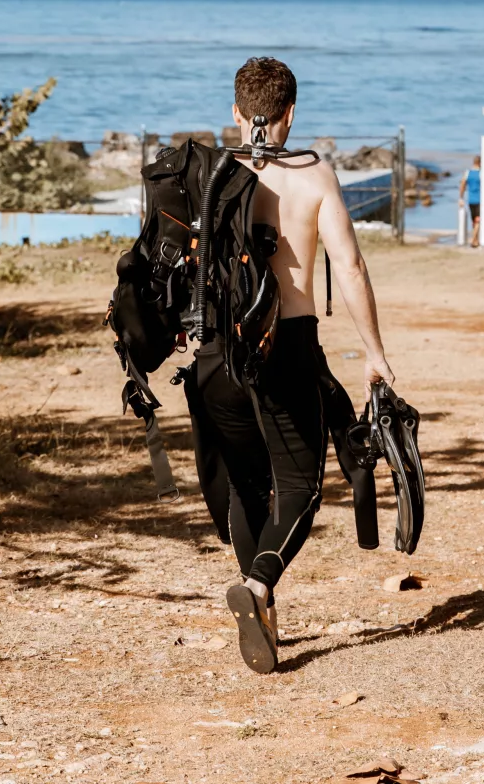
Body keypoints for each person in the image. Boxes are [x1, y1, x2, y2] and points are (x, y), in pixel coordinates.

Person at [189, 57, 396, 675]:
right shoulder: (314, 177)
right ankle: (256, 589)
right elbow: (351, 268)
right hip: (286, 348)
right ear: (290, 115)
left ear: (235, 111)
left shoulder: (210, 175)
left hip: (212, 356)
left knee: (250, 485)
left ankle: (265, 617)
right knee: (302, 488)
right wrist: (376, 354)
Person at [459, 155, 482, 247]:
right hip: (479, 199)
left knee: (474, 220)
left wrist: (461, 197)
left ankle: (476, 239)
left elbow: (462, 185)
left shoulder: (467, 173)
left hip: (470, 199)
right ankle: (474, 240)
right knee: (478, 220)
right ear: (480, 163)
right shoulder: (481, 173)